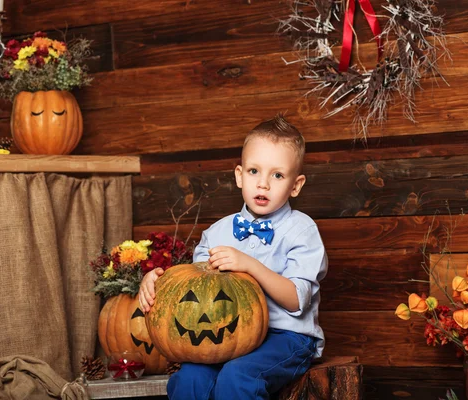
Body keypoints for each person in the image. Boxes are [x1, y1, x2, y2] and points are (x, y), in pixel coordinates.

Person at [138, 114, 328, 400]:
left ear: (296, 185)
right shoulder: (218, 232)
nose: (263, 184)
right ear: (239, 175)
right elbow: (192, 287)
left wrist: (250, 266)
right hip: (227, 336)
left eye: (277, 175)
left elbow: (296, 300)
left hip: (286, 338)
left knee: (238, 377)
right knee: (190, 377)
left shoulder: (302, 230)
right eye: (254, 171)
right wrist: (156, 282)